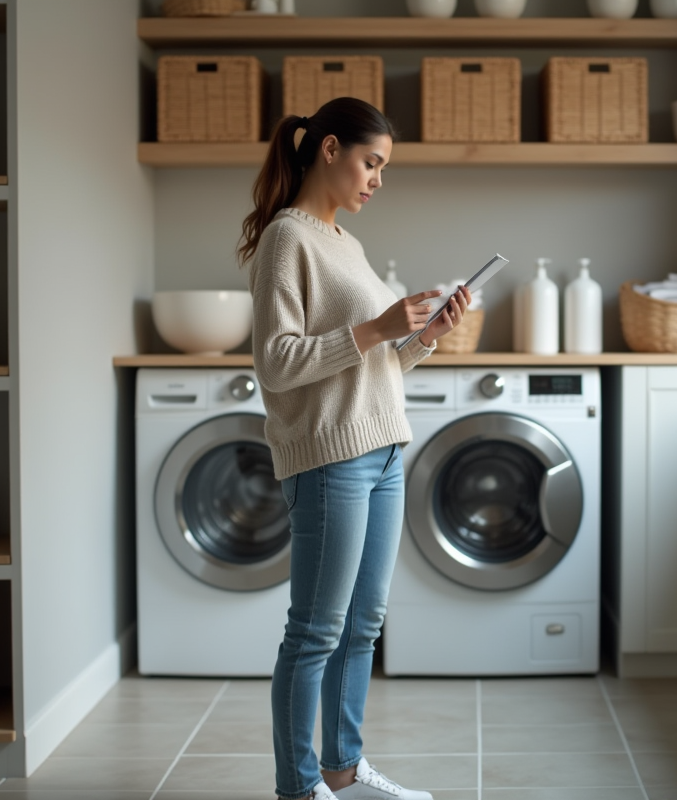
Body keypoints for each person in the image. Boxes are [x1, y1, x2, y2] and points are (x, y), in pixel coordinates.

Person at [237, 96, 472, 800]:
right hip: (329, 459)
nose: (377, 178)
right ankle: (299, 787)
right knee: (314, 631)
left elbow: (374, 368)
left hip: (381, 453)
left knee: (362, 625)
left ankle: (342, 769)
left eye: (384, 168)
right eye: (372, 162)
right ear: (330, 148)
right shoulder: (288, 238)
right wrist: (376, 327)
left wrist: (423, 336)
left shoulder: (348, 245)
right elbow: (277, 362)